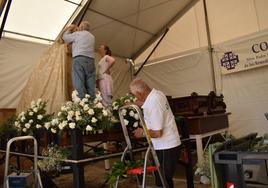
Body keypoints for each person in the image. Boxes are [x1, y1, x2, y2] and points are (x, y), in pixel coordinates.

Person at [130, 78, 181, 188]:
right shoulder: (157, 94)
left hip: (165, 147)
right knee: (164, 179)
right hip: (169, 145)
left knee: (162, 182)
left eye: (135, 95)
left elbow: (158, 133)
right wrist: (132, 104)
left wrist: (142, 132)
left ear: (140, 92)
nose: (136, 98)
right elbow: (143, 101)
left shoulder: (153, 103)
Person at [62, 21, 96, 99]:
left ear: (81, 27)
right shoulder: (92, 37)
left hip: (79, 59)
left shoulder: (77, 34)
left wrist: (69, 29)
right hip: (91, 60)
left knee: (79, 81)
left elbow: (65, 38)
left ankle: (82, 103)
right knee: (91, 83)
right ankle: (92, 105)